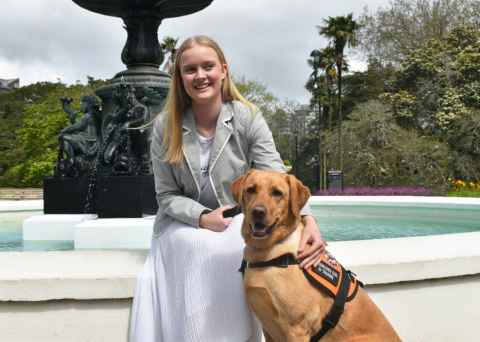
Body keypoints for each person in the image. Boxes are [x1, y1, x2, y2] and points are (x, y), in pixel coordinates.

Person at [129, 35, 326, 342]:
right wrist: (202, 217)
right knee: (199, 245)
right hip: (182, 224)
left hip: (237, 218)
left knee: (239, 243)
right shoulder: (164, 126)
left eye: (207, 66)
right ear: (180, 78)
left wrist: (307, 219)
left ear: (223, 70)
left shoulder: (247, 116)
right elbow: (165, 196)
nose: (200, 76)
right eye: (190, 69)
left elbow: (276, 172)